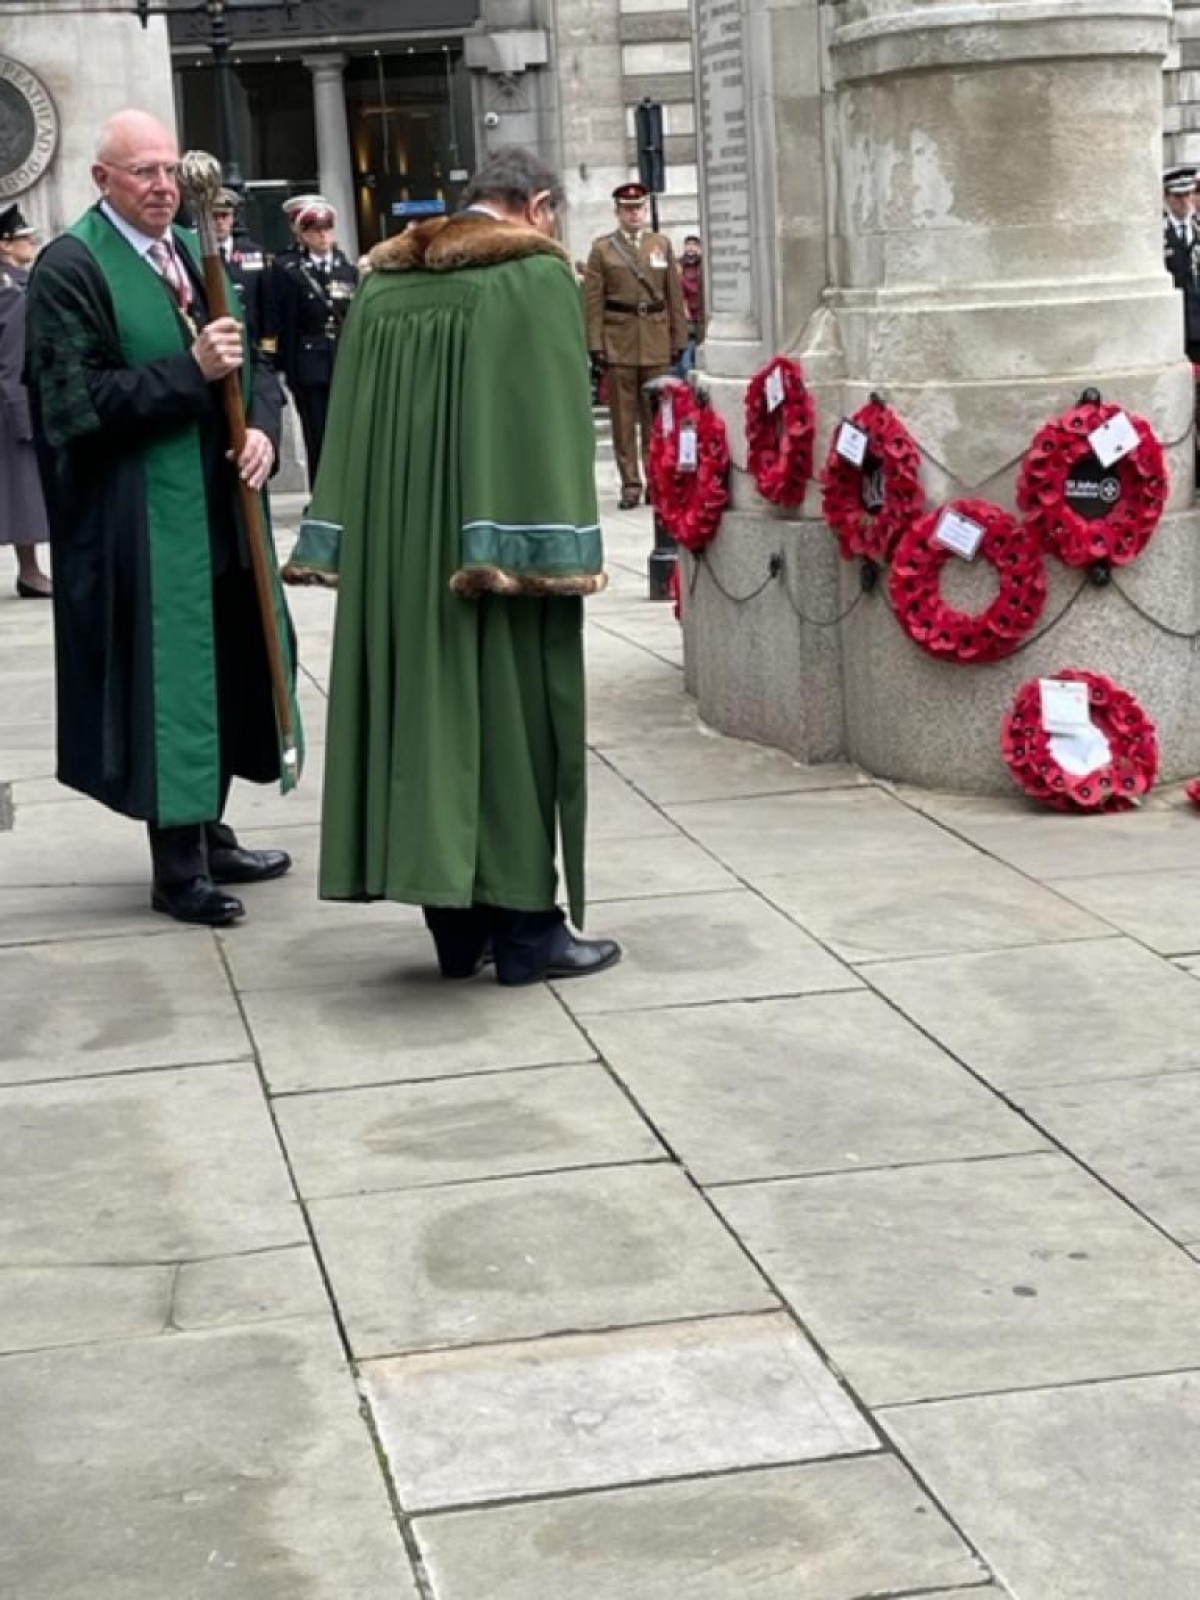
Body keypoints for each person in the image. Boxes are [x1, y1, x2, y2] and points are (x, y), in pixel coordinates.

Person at [285, 146, 621, 987]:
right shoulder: (534, 277)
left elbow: (347, 429)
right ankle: (526, 931)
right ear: (539, 206)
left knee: (426, 722)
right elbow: (550, 427)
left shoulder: (383, 284)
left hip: (399, 561)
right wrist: (553, 554)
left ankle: (455, 927)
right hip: (492, 551)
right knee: (511, 726)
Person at [23, 108, 302, 927]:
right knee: (167, 681)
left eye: (169, 169)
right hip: (137, 522)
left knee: (220, 665)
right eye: (142, 171)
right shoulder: (70, 267)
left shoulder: (186, 252)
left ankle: (209, 831)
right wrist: (187, 372)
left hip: (216, 506)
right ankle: (176, 868)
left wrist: (257, 434)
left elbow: (243, 366)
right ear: (101, 179)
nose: (162, 185)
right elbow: (73, 404)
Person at [584, 180, 687, 508]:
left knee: (657, 418)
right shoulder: (603, 250)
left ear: (645, 210)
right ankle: (630, 482)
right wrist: (595, 343)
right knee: (623, 419)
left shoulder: (661, 245)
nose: (633, 214)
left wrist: (679, 336)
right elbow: (593, 302)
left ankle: (656, 479)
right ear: (617, 213)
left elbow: (674, 293)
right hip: (619, 341)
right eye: (627, 209)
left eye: (638, 208)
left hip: (655, 339)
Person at [263, 194, 358, 486]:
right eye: (316, 230)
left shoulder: (346, 269)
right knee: (318, 435)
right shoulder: (288, 269)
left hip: (342, 361)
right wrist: (284, 367)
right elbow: (282, 322)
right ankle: (323, 493)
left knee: (348, 434)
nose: (323, 236)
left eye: (327, 229)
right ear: (302, 234)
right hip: (309, 365)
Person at [0, 204, 51, 597]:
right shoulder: (14, 291)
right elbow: (13, 360)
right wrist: (24, 417)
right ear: (4, 245)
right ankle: (30, 572)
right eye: (22, 238)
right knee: (20, 494)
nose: (30, 243)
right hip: (11, 404)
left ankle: (29, 570)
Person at [211, 187, 271, 352]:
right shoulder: (194, 251)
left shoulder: (253, 253)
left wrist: (268, 347)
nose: (220, 222)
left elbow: (266, 303)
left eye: (224, 216)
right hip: (214, 341)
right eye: (214, 216)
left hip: (249, 340)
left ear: (234, 218)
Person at [1163, 167, 1200, 361]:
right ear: (1167, 198)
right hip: (1172, 325)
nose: (1184, 202)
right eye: (1178, 196)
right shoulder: (1158, 235)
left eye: (1188, 194)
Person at [677, 232, 706, 376]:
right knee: (687, 349)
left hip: (701, 314)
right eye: (688, 244)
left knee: (699, 350)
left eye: (694, 245)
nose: (691, 248)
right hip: (685, 315)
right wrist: (684, 309)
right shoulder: (678, 266)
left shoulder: (704, 265)